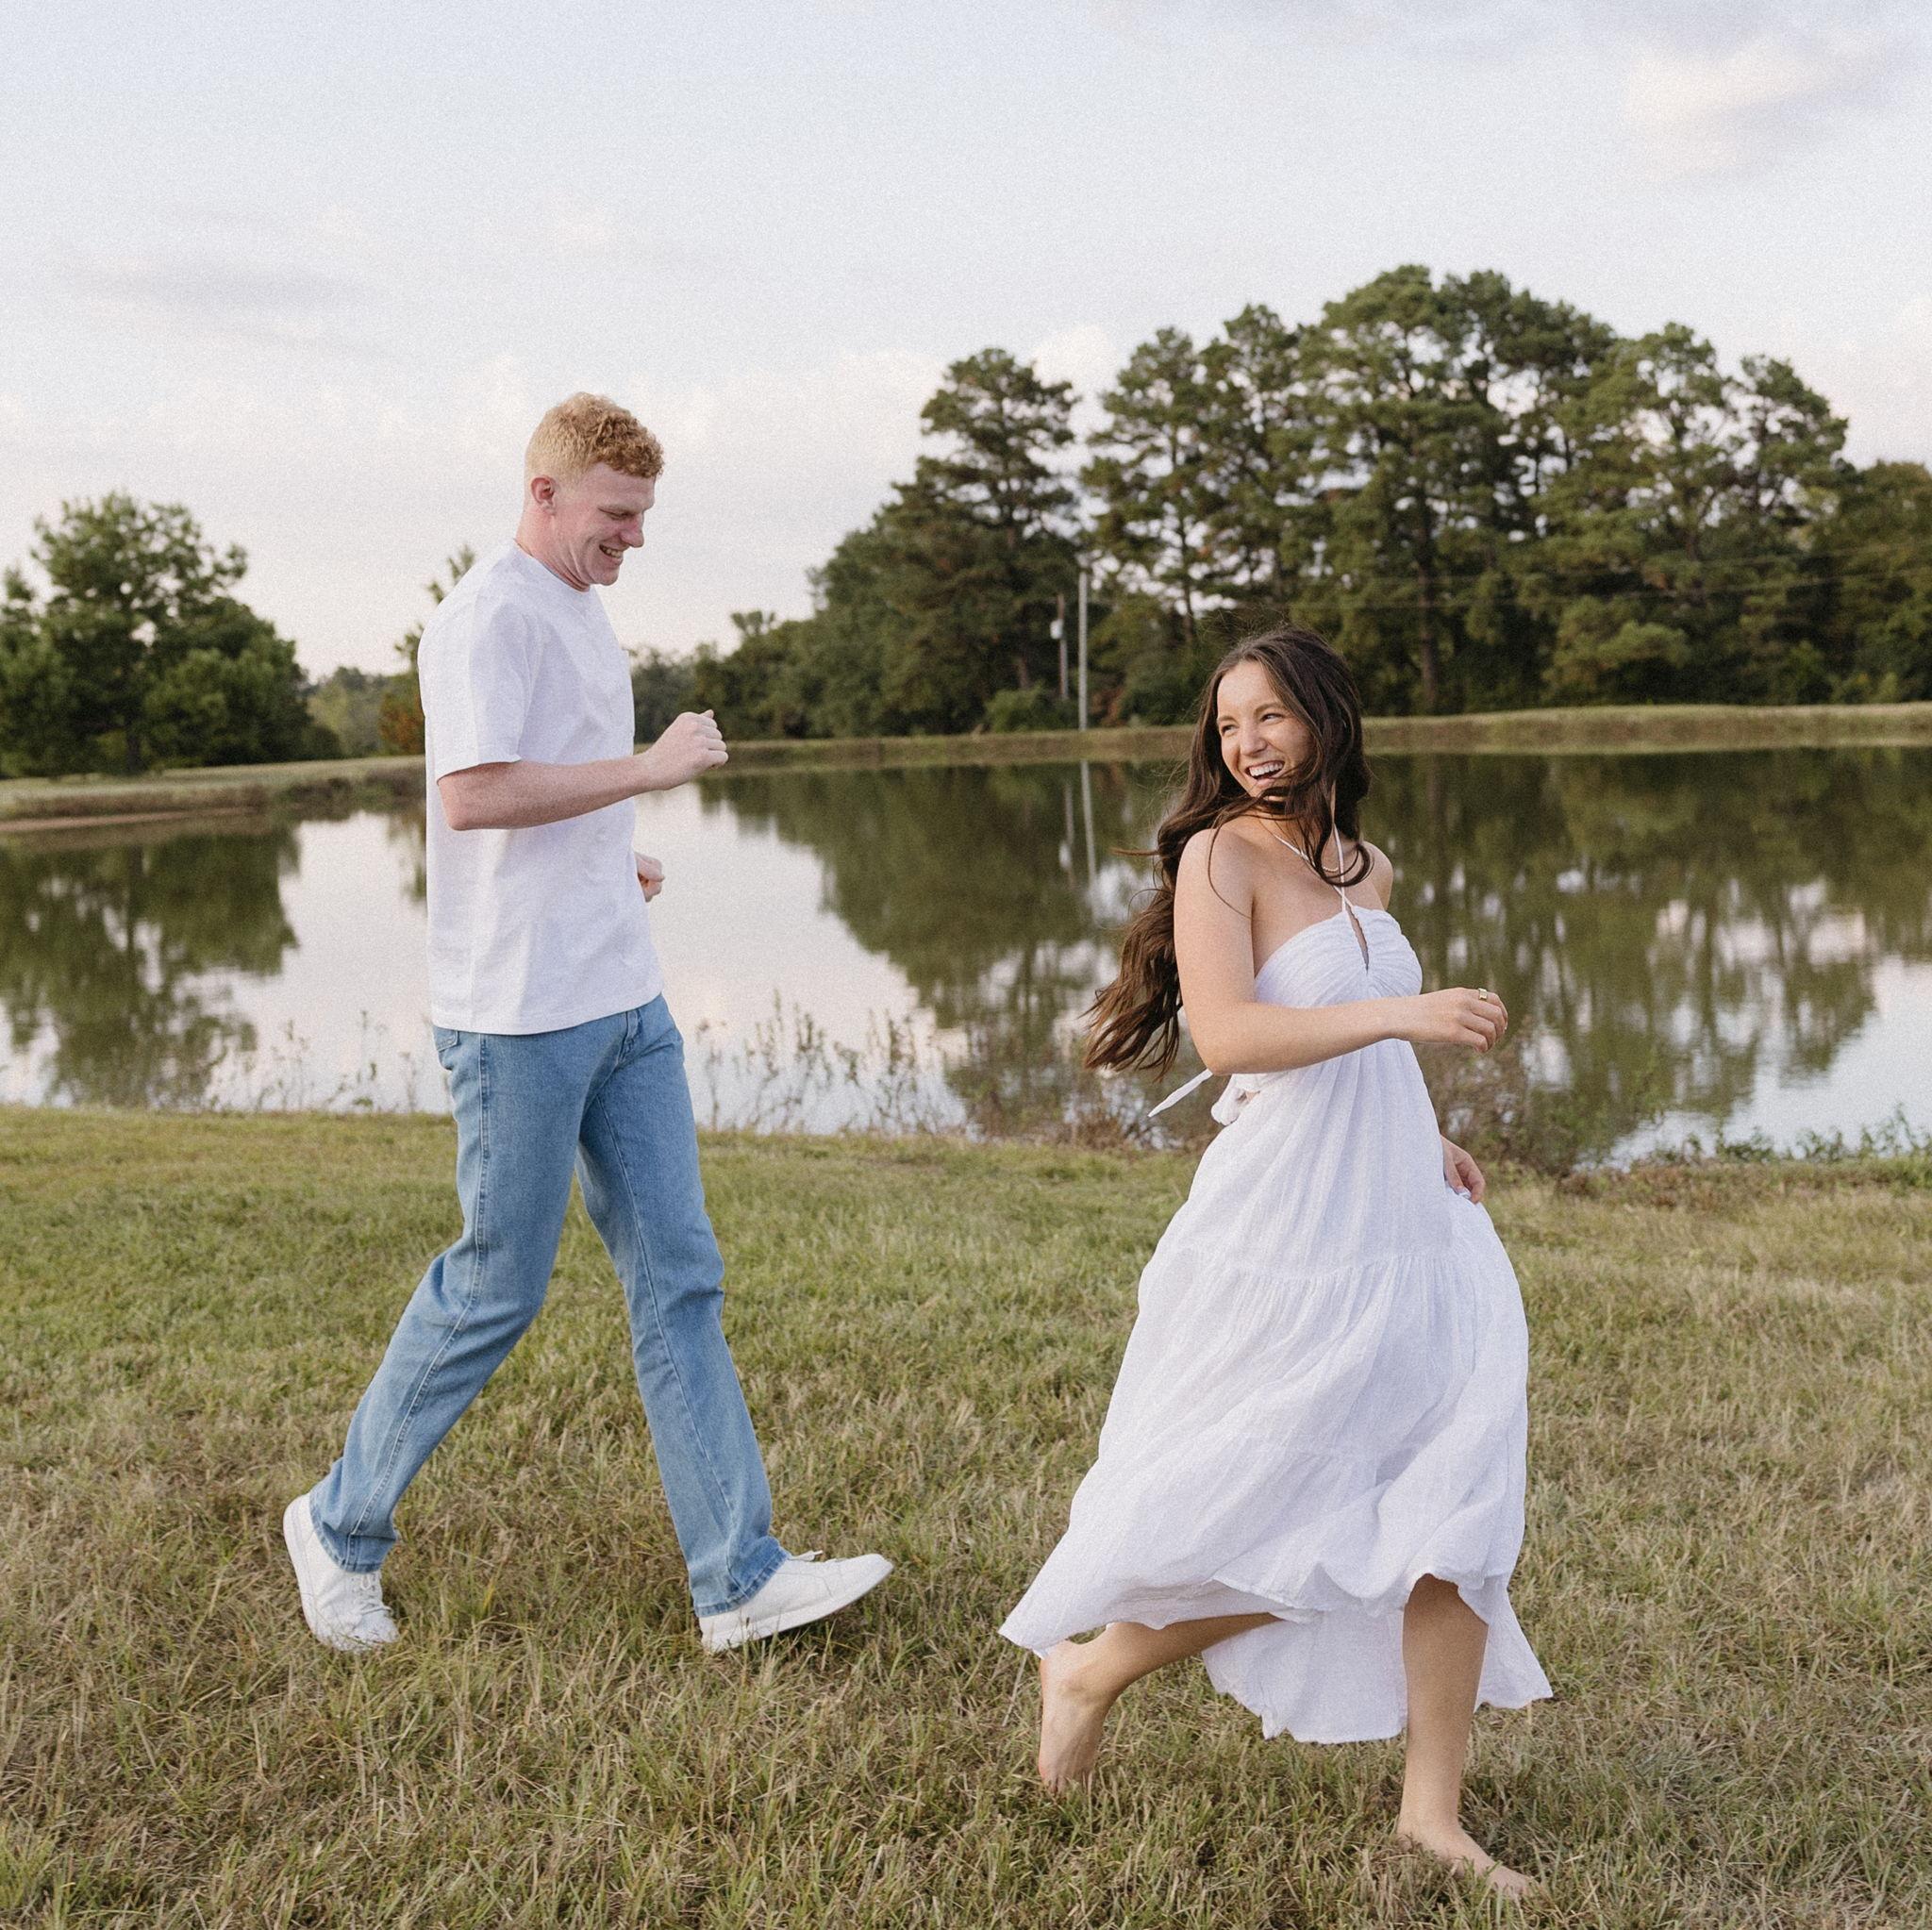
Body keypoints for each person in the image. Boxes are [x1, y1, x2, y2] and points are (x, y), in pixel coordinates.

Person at [285, 392, 890, 1656]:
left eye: (643, 516)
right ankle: (337, 1529)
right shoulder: (483, 617)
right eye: (618, 515)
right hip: (518, 1021)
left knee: (681, 1272)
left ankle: (739, 1577)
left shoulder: (578, 609)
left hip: (622, 997)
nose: (634, 538)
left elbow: (545, 798)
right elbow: (471, 796)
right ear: (546, 493)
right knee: (496, 1285)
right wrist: (651, 770)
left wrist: (618, 856)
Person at [1000, 625, 1549, 1896]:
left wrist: (1427, 1123)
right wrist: (1410, 1012)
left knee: (1456, 1496)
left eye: (1271, 717)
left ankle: (1433, 1814)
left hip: (1406, 1212)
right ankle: (1089, 1667)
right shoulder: (1217, 857)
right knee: (1296, 1509)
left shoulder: (1371, 864)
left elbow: (1353, 1054)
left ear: (1324, 719)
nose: (1247, 743)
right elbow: (1240, 1037)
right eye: (1228, 722)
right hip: (1291, 1224)